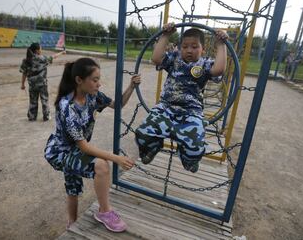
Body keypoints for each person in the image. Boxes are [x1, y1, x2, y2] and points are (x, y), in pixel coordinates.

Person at [44, 57, 140, 232]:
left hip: (73, 149)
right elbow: (84, 148)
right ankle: (104, 212)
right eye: (95, 80)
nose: (99, 84)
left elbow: (118, 104)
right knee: (101, 166)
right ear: (79, 80)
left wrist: (132, 86)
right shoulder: (68, 108)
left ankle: (71, 221)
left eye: (98, 79)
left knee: (73, 185)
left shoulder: (92, 97)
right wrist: (116, 158)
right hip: (59, 153)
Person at [135, 23, 228, 173]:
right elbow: (157, 59)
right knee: (143, 133)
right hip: (166, 108)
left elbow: (218, 70)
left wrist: (221, 44)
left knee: (196, 145)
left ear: (203, 49)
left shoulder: (204, 64)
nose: (189, 50)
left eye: (194, 46)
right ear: (180, 48)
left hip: (191, 112)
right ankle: (152, 147)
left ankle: (188, 158)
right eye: (185, 47)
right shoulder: (174, 59)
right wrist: (165, 35)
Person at [20, 43, 66, 121]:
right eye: (40, 49)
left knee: (33, 101)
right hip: (42, 84)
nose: (41, 50)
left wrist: (22, 84)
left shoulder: (26, 60)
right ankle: (46, 116)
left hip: (32, 85)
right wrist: (62, 53)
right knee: (44, 100)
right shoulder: (42, 58)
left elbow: (24, 73)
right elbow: (53, 57)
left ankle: (32, 116)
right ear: (37, 50)